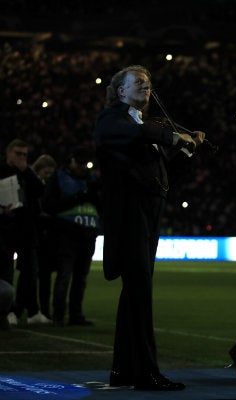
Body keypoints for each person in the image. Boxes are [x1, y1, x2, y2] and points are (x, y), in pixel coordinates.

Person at [93, 65, 205, 391]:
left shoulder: (142, 125)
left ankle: (123, 370)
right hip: (129, 215)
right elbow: (140, 137)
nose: (146, 86)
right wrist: (174, 136)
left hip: (146, 214)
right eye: (138, 83)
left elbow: (162, 179)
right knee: (139, 292)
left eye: (148, 83)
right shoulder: (113, 120)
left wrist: (188, 149)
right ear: (120, 91)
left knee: (134, 294)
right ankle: (145, 373)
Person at [41, 147, 100, 326]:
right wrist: (81, 197)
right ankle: (59, 314)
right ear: (71, 161)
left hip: (88, 236)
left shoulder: (92, 182)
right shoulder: (59, 179)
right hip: (66, 235)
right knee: (65, 276)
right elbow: (50, 206)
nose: (83, 167)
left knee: (80, 278)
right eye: (80, 163)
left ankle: (75, 315)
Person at [0, 139, 46, 326]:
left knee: (29, 273)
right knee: (6, 271)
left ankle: (18, 309)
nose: (21, 158)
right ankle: (7, 311)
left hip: (26, 230)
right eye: (18, 153)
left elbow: (40, 191)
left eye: (25, 155)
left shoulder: (27, 173)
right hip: (4, 229)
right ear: (8, 153)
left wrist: (26, 170)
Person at [32, 154, 58, 323]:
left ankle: (43, 311)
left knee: (45, 277)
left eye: (50, 174)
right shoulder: (34, 187)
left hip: (46, 238)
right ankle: (32, 310)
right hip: (35, 237)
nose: (48, 177)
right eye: (46, 173)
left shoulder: (50, 188)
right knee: (33, 276)